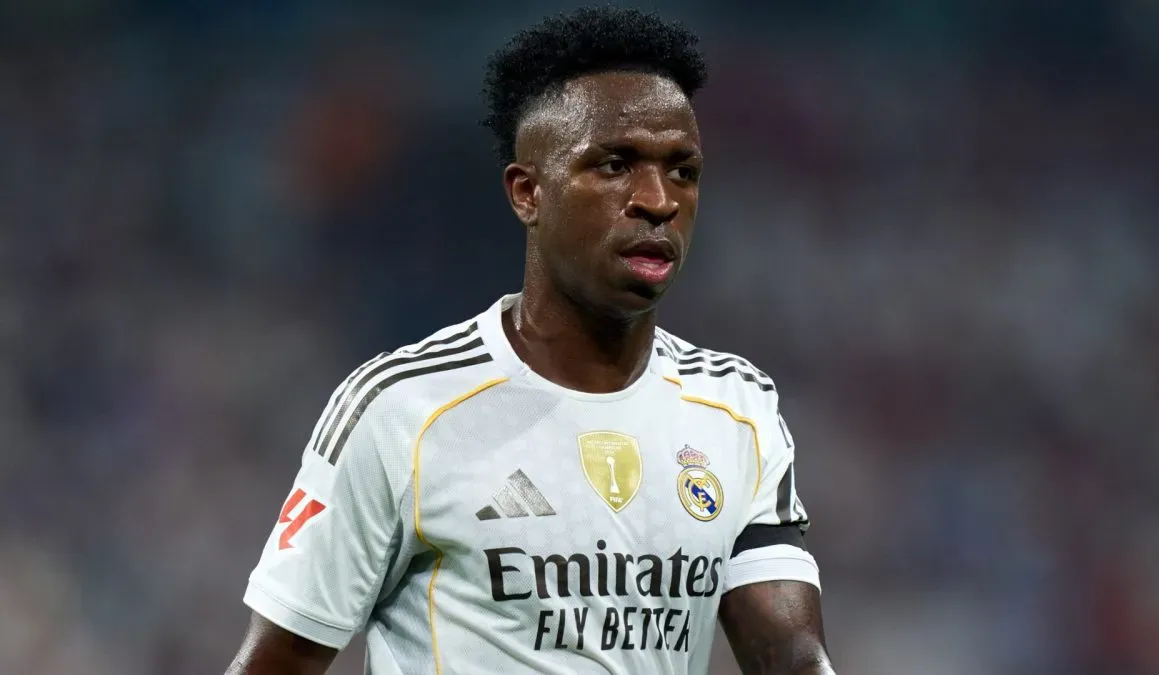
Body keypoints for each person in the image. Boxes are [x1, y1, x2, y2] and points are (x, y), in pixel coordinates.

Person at [226, 6, 834, 674]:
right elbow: (277, 662)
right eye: (615, 165)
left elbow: (793, 659)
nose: (658, 199)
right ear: (527, 193)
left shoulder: (736, 409)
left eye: (683, 171)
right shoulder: (403, 410)